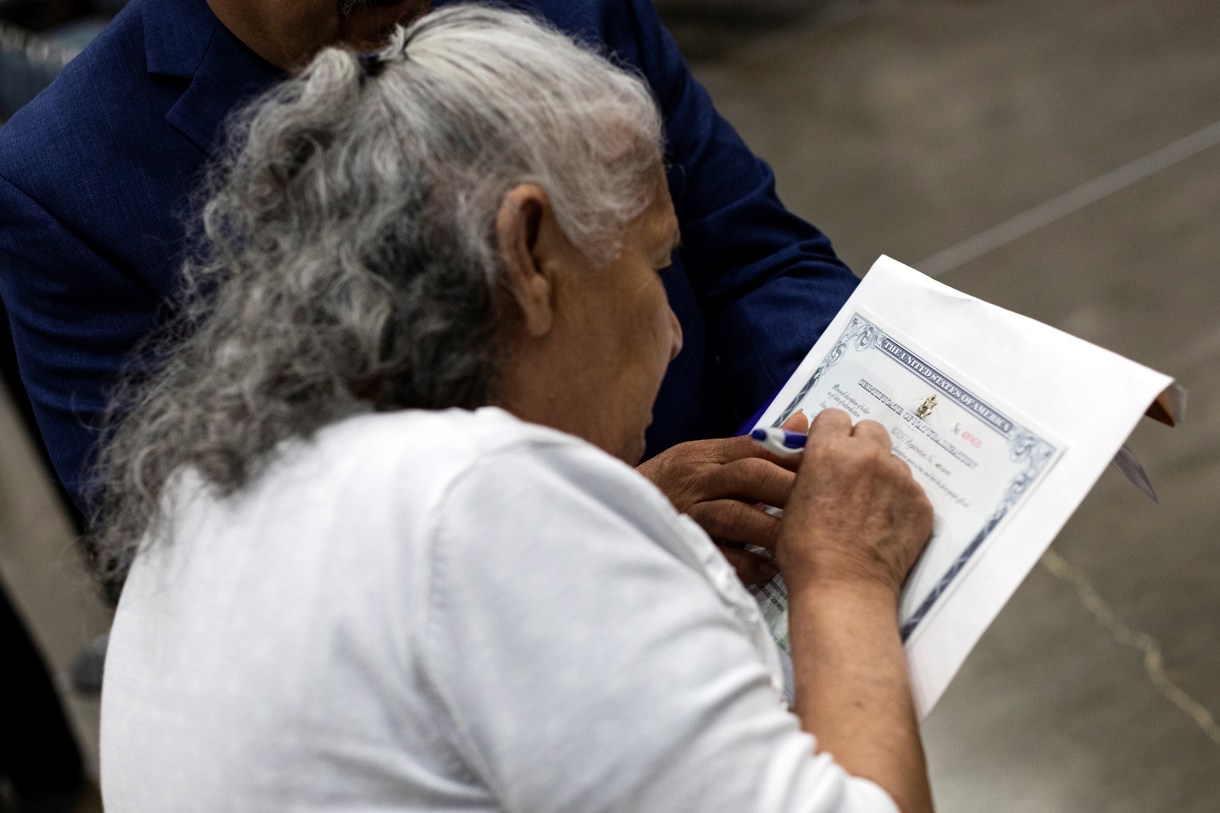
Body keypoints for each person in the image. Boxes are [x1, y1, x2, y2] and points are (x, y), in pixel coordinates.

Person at [93, 8, 934, 811]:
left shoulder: (206, 491)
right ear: (528, 250)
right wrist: (843, 571)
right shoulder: (480, 499)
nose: (675, 334)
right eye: (653, 262)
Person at [0, 0, 857, 565]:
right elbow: (189, 561)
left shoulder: (564, 5)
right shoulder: (68, 181)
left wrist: (838, 438)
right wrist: (608, 526)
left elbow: (756, 256)